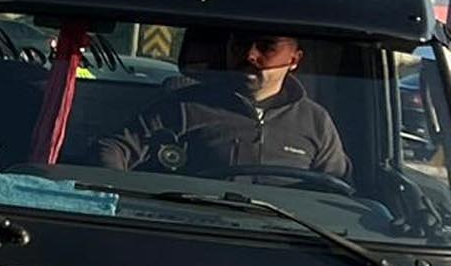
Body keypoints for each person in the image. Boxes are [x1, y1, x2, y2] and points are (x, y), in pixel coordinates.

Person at [95, 29, 349, 180]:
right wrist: (114, 195)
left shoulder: (316, 122)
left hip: (288, 245)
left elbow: (336, 188)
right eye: (239, 44)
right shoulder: (183, 106)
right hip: (194, 235)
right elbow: (113, 149)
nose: (250, 55)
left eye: (267, 47)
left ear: (295, 59)